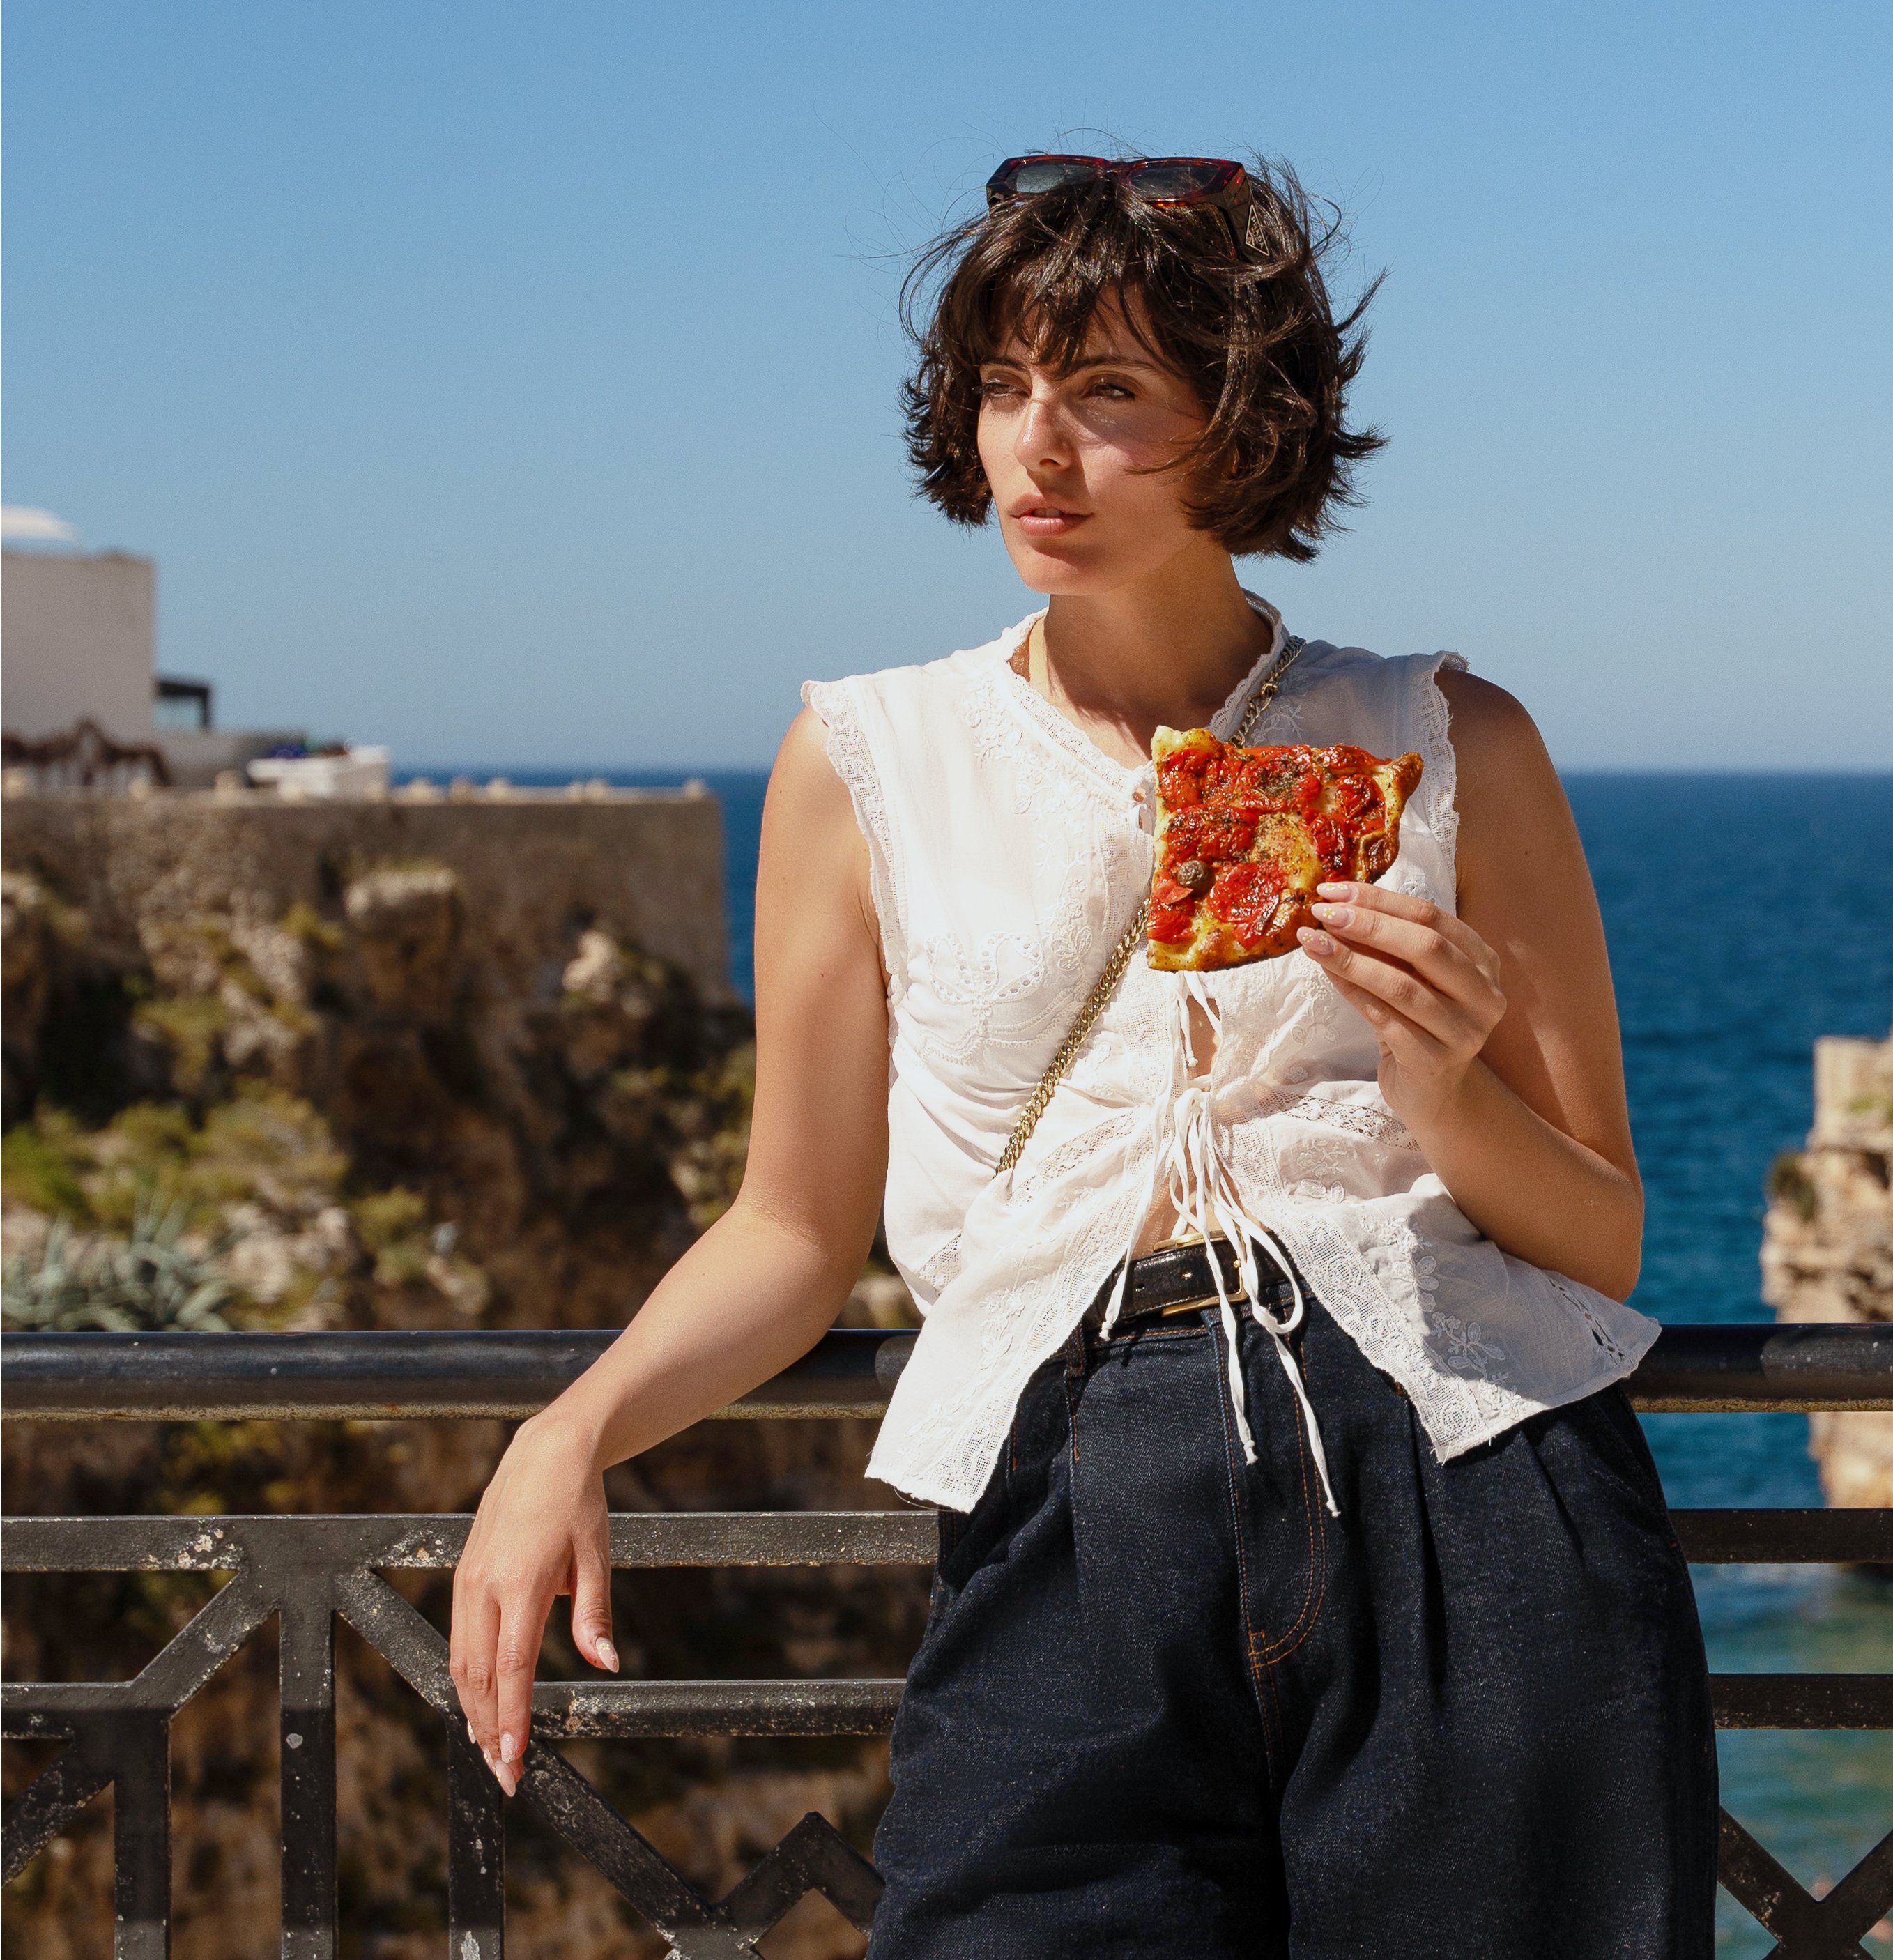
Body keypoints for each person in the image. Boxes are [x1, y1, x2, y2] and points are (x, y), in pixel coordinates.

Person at [445, 152, 1718, 1957]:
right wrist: (571, 1429)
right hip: (1062, 1488)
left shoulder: (1445, 736)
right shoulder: (863, 758)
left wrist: (1442, 1089)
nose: (1037, 449)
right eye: (1003, 386)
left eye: (1110, 391)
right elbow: (793, 1233)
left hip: (1464, 1476)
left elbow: (1598, 1238)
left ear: (1243, 420)